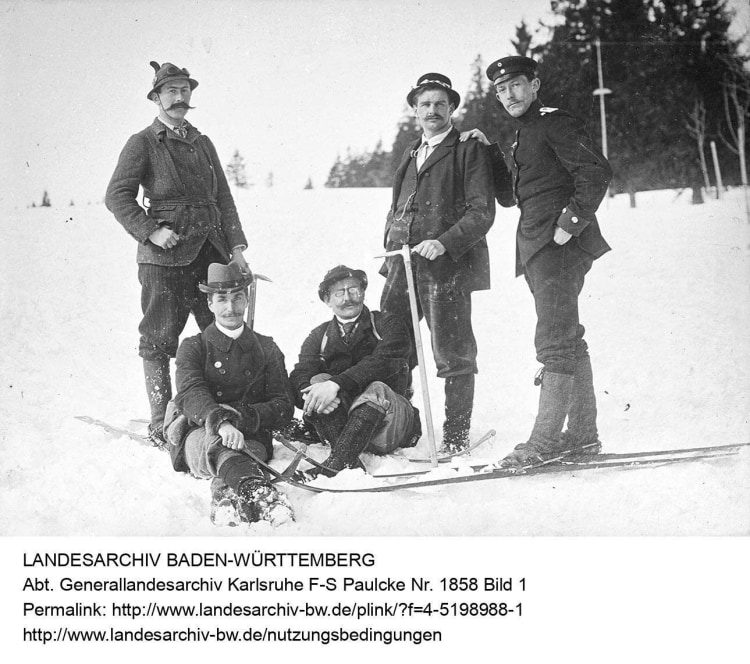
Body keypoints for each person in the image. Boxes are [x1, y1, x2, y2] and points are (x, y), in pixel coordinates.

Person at [461, 56, 612, 467]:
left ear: (535, 84)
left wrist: (571, 222)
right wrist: (488, 150)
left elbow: (595, 171)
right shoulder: (523, 134)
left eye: (515, 85)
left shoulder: (553, 122)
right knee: (566, 336)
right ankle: (582, 435)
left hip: (557, 247)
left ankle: (544, 440)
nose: (508, 95)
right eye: (500, 89)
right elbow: (512, 196)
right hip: (537, 250)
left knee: (554, 341)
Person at [105, 61, 250, 447]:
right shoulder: (142, 142)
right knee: (158, 340)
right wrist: (151, 231)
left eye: (184, 90)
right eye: (170, 90)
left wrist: (235, 249)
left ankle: (215, 413)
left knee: (218, 334)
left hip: (211, 256)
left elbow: (223, 199)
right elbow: (117, 196)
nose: (179, 97)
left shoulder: (203, 143)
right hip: (163, 260)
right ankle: (160, 419)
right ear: (156, 98)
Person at [379, 72, 496, 453]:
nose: (432, 110)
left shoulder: (467, 150)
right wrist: (390, 252)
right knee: (392, 346)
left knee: (453, 353)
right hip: (402, 267)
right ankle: (397, 427)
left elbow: (482, 213)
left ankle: (457, 438)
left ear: (451, 109)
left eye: (440, 104)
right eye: (425, 104)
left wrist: (444, 244)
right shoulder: (411, 154)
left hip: (447, 268)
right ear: (414, 109)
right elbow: (397, 209)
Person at [162, 262, 294, 526]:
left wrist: (241, 420)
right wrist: (221, 423)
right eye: (222, 299)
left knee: (240, 448)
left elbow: (283, 405)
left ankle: (225, 494)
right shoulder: (194, 347)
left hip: (249, 435)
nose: (230, 308)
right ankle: (260, 492)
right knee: (219, 444)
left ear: (246, 299)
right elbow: (190, 393)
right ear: (209, 303)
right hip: (199, 434)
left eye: (237, 298)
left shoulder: (266, 347)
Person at [289, 266, 421, 477]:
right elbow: (299, 374)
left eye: (353, 290)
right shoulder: (319, 335)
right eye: (339, 293)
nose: (347, 298)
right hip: (343, 427)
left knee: (377, 388)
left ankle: (336, 463)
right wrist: (311, 390)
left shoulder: (388, 324)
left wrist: (336, 384)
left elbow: (383, 361)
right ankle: (349, 461)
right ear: (327, 300)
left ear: (363, 292)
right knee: (316, 381)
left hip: (390, 424)